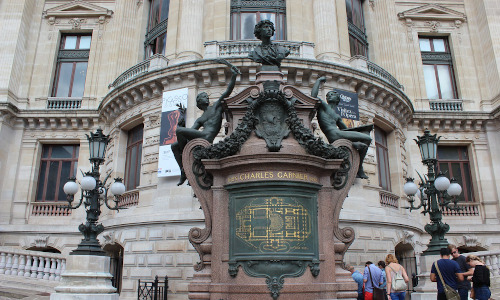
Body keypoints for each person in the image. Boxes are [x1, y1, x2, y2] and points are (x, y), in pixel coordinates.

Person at [171, 65, 240, 185]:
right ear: (199, 102)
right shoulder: (200, 118)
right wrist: (181, 120)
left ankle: (185, 160)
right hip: (201, 136)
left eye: (206, 96)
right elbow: (190, 133)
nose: (206, 97)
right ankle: (183, 170)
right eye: (203, 96)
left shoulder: (216, 107)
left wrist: (234, 76)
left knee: (179, 131)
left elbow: (227, 91)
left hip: (207, 137)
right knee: (174, 145)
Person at [311, 77, 372, 178]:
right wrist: (318, 81)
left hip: (338, 134)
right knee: (367, 138)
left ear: (337, 99)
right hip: (334, 134)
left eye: (332, 94)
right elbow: (313, 97)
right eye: (328, 95)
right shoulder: (323, 106)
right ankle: (359, 167)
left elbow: (346, 131)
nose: (329, 95)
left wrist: (363, 129)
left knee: (365, 135)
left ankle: (354, 148)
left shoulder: (337, 117)